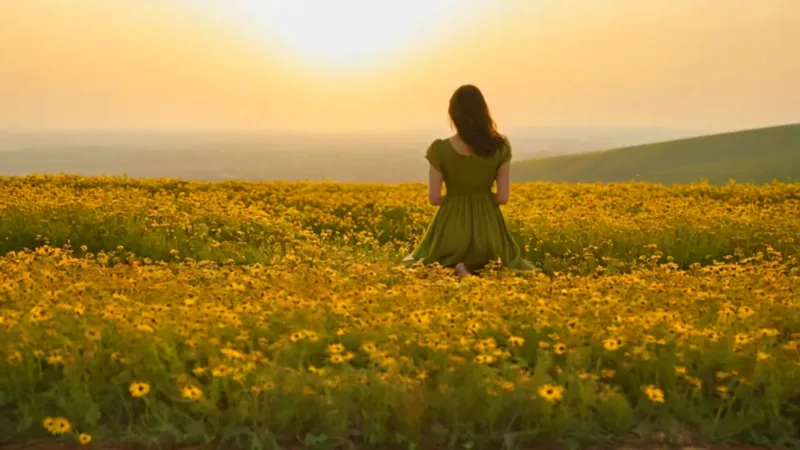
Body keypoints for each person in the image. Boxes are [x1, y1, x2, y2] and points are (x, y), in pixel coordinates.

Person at [404, 84, 534, 277]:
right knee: (500, 266)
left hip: (451, 226)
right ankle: (473, 269)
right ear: (484, 112)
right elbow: (503, 197)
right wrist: (481, 200)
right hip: (488, 227)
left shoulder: (439, 149)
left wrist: (457, 201)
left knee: (426, 263)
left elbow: (433, 198)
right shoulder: (499, 147)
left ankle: (457, 267)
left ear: (454, 115)